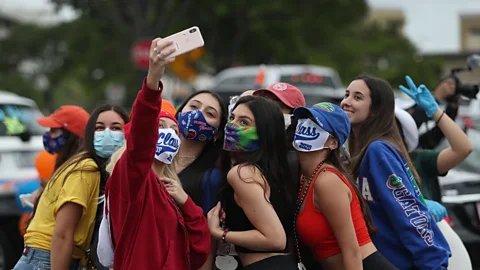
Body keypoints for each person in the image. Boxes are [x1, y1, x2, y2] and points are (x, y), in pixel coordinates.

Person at [102, 38, 210, 270]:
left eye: (174, 130)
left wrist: (186, 202)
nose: (168, 134)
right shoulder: (131, 177)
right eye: (160, 127)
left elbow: (198, 251)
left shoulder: (169, 191)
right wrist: (153, 79)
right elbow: (142, 138)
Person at [341, 75, 451, 270]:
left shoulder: (378, 151)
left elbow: (408, 213)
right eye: (347, 94)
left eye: (357, 98)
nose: (345, 102)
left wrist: (433, 264)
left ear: (375, 110)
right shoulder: (360, 152)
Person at [14, 104, 129, 270]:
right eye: (99, 128)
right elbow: (62, 234)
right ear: (89, 133)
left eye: (116, 127)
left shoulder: (91, 167)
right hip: (47, 259)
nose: (107, 134)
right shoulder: (86, 169)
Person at [292, 102, 396, 270]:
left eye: (316, 123)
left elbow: (352, 251)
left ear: (333, 143)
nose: (307, 126)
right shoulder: (306, 177)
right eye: (305, 119)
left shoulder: (327, 181)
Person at [208, 95, 297, 269]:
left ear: (264, 132)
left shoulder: (243, 174)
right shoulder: (271, 170)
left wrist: (220, 233)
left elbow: (275, 239)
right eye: (232, 118)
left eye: (244, 123)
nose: (232, 125)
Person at [399, 76, 473, 203]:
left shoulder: (420, 157)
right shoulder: (383, 155)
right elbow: (406, 128)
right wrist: (436, 98)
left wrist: (448, 109)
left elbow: (437, 137)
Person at [406, 75, 460, 149]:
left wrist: (453, 108)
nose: (451, 87)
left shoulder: (450, 109)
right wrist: (436, 98)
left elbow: (438, 135)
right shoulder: (416, 101)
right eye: (448, 83)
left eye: (454, 86)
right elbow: (410, 126)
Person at [37, 105, 90, 170]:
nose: (48, 135)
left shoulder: (81, 169)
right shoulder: (65, 162)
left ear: (71, 135)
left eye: (54, 130)